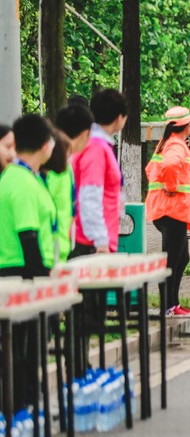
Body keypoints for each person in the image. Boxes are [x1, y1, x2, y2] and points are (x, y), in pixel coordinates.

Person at [0, 115, 57, 411]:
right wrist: (44, 281)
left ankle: (25, 409)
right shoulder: (20, 182)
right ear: (45, 145)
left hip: (25, 273)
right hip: (21, 274)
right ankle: (20, 411)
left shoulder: (27, 177)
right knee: (24, 350)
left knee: (29, 351)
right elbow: (29, 238)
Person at [145, 106, 190, 317]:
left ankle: (173, 303)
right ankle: (168, 306)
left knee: (182, 258)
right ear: (186, 126)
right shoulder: (175, 147)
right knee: (172, 260)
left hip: (171, 212)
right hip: (171, 212)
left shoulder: (170, 144)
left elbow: (150, 169)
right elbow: (169, 167)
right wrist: (171, 187)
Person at [71, 88, 127, 256]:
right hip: (92, 244)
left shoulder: (97, 144)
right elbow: (90, 196)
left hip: (95, 241)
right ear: (119, 118)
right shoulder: (96, 147)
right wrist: (100, 241)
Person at [41, 129, 75, 264]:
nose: (68, 160)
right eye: (66, 156)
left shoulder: (65, 171)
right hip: (52, 246)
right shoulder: (48, 176)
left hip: (59, 244)